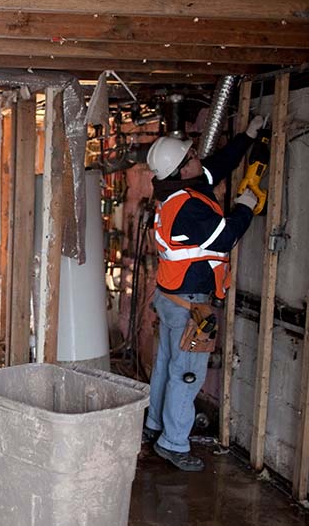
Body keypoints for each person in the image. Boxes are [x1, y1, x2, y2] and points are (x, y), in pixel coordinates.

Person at [143, 115, 264, 472]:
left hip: (171, 299)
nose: (199, 156)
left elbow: (218, 167)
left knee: (166, 367)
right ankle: (173, 443)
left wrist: (247, 137)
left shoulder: (178, 190)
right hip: (190, 307)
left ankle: (154, 426)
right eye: (192, 155)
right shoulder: (190, 207)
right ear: (182, 170)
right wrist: (244, 205)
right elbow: (226, 237)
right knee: (187, 374)